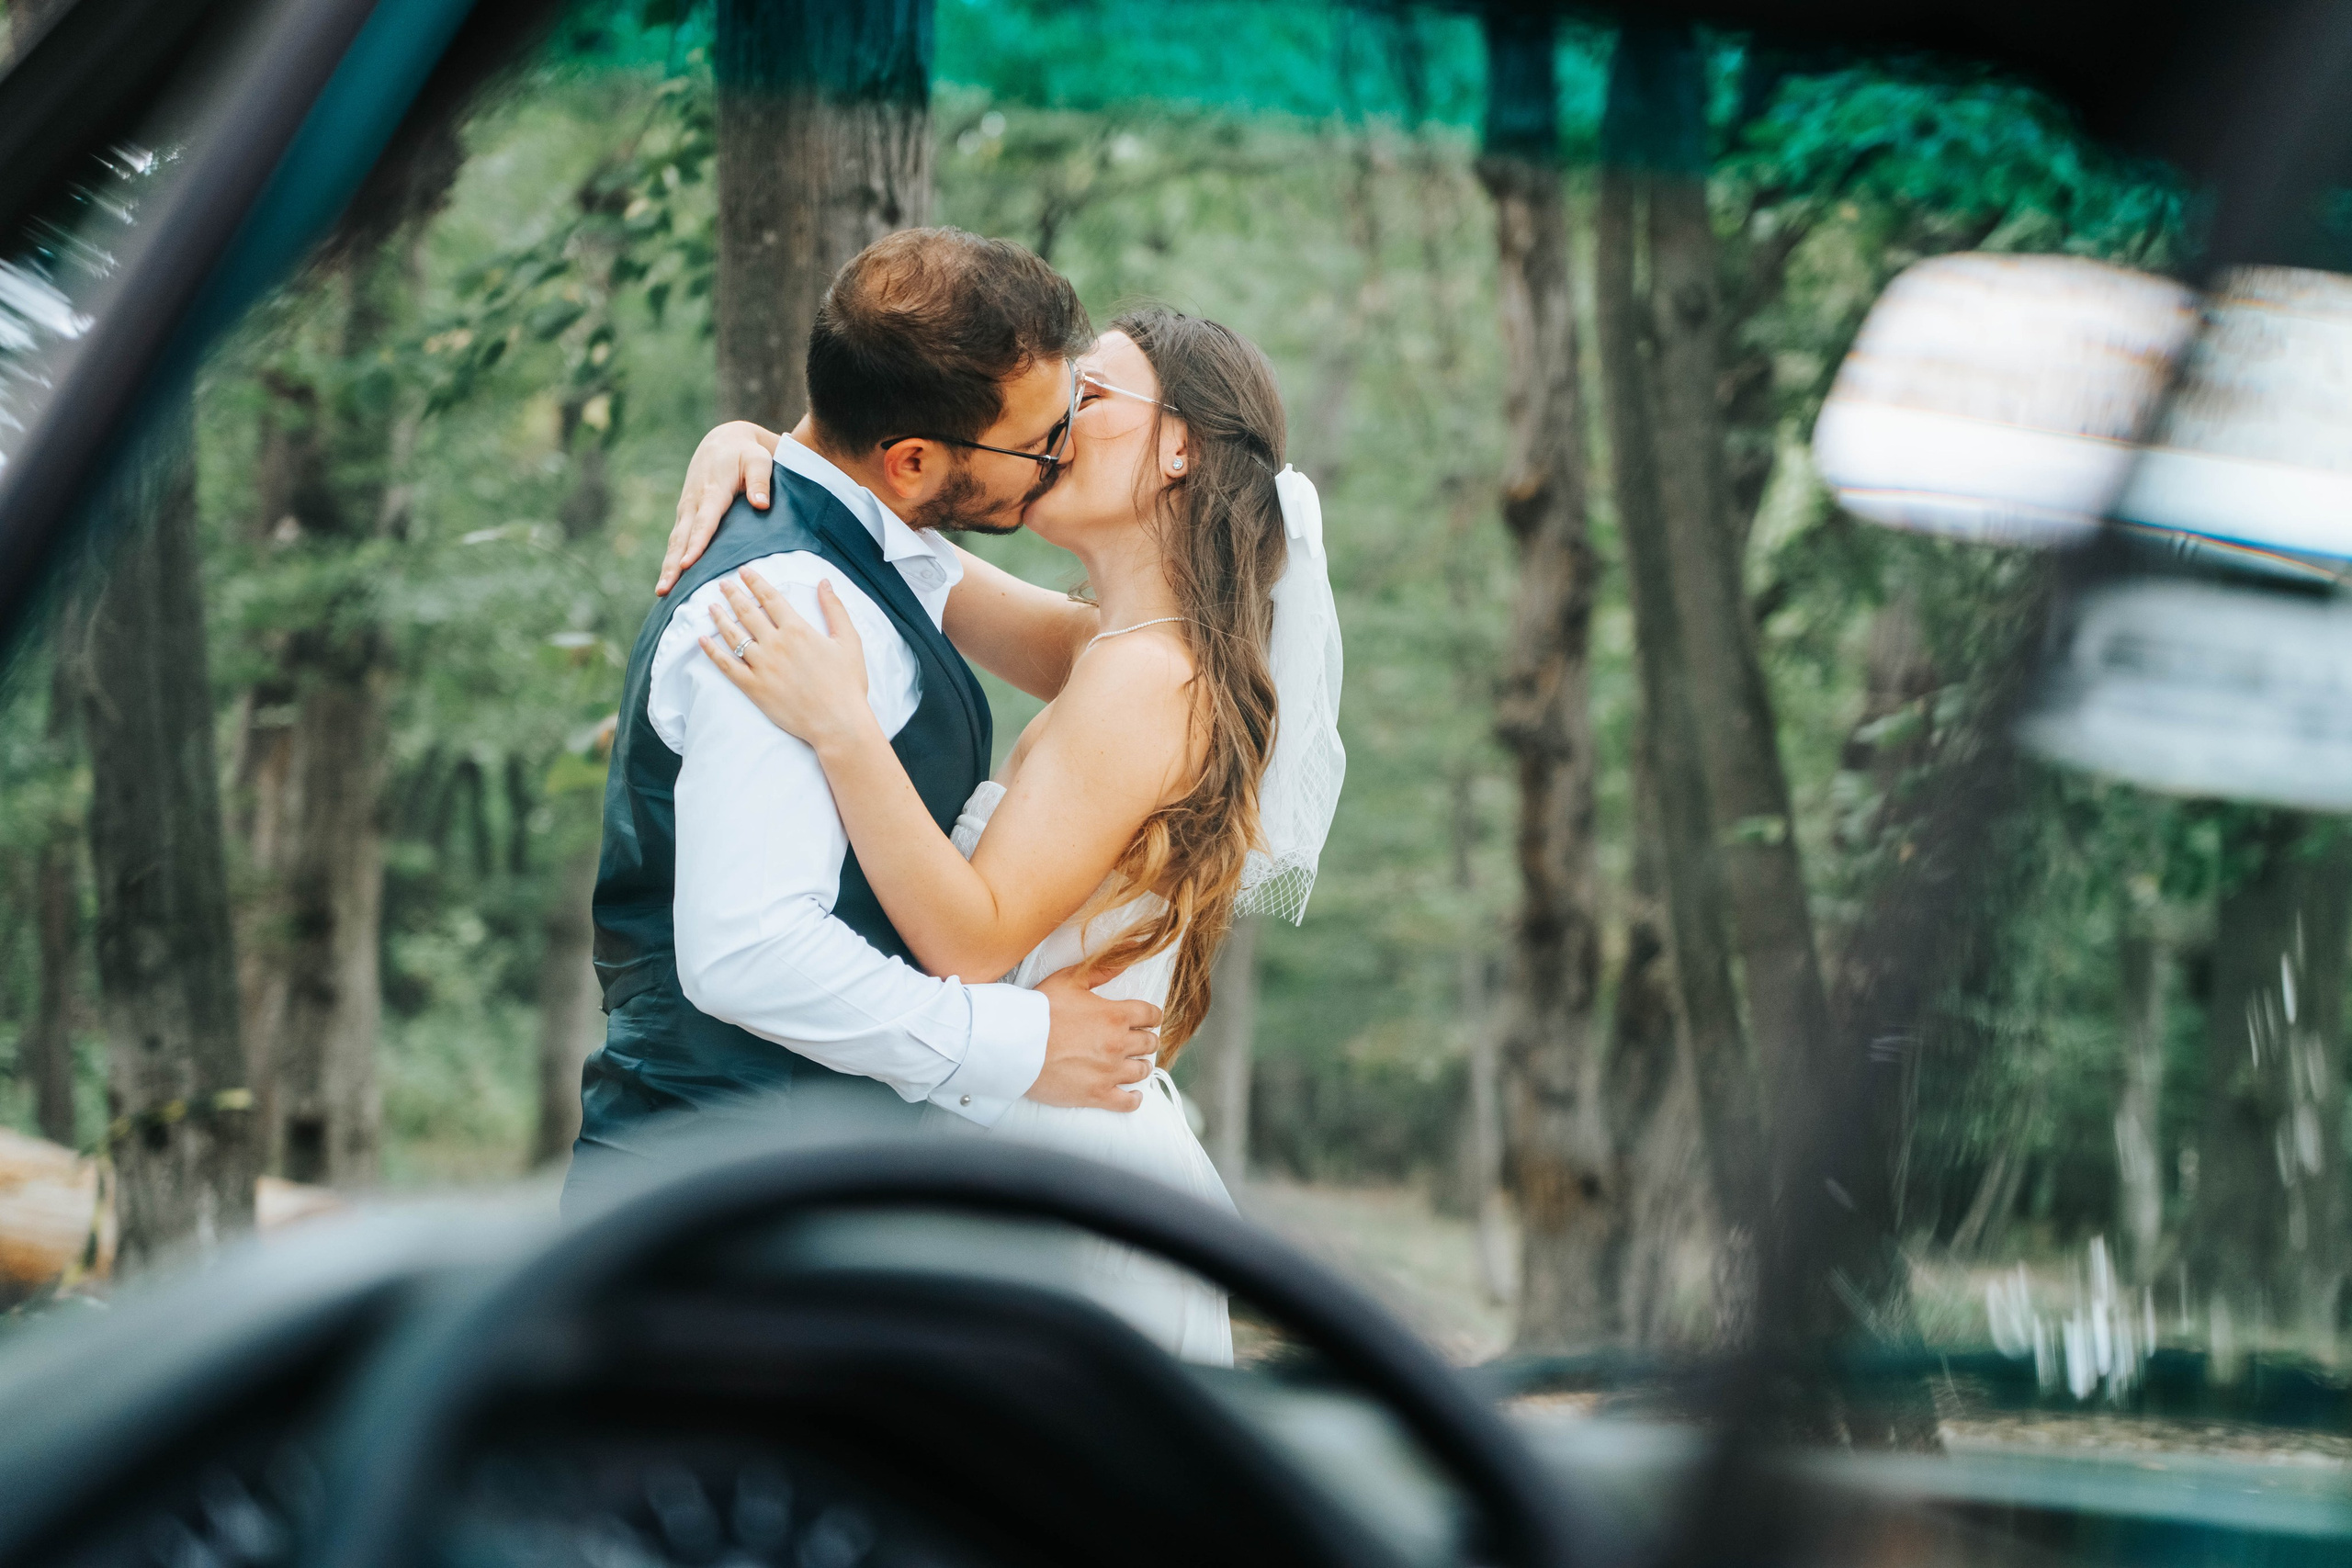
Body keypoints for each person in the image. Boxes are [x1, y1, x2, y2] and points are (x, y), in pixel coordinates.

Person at [662, 306, 1346, 1364]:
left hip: (1059, 1165)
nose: (1061, 425)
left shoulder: (1147, 681)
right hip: (1027, 1122)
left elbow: (974, 942)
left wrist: (844, 728)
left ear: (1178, 448)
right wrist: (752, 445)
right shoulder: (1117, 646)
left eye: (1095, 396)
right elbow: (889, 542)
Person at [565, 230, 1170, 1219]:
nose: (1058, 459)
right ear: (914, 460)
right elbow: (751, 953)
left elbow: (1093, 651)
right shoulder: (794, 604)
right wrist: (1016, 1044)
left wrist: (745, 434)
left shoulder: (870, 549)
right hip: (722, 1201)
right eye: (1040, 442)